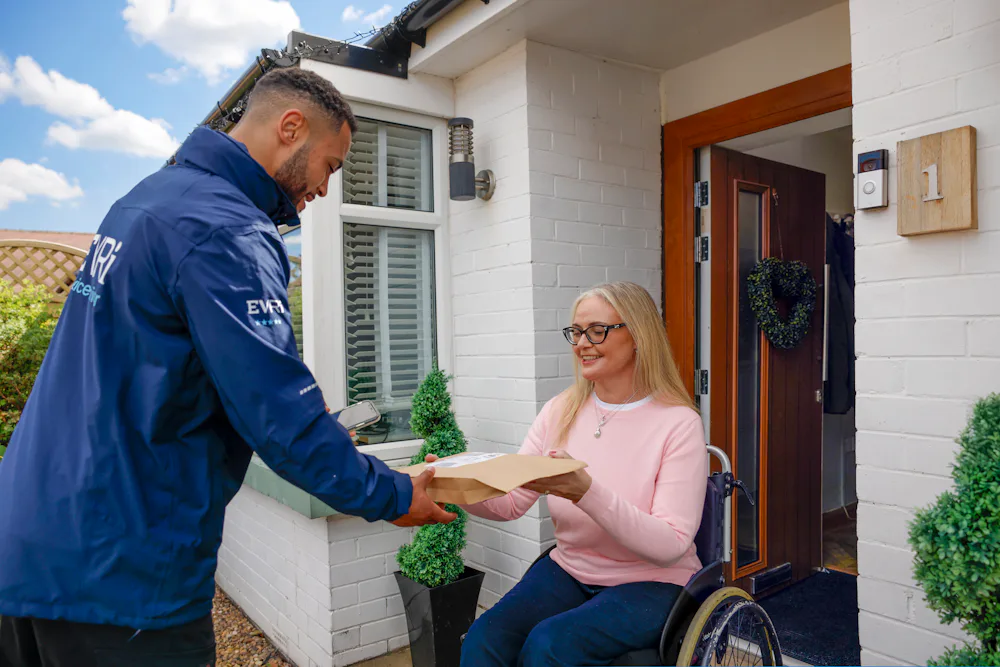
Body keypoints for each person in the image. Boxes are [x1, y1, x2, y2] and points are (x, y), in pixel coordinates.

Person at [0, 67, 454, 667]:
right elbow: (280, 417)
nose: (324, 188)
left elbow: (160, 372)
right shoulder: (227, 230)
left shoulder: (142, 201)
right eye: (331, 165)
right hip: (120, 571)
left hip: (28, 545)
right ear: (292, 127)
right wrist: (394, 494)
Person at [449, 281, 709, 667]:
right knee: (486, 637)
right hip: (570, 570)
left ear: (638, 335)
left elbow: (670, 542)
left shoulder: (678, 423)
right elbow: (511, 503)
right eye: (575, 332)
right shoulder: (560, 410)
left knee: (550, 646)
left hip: (653, 583)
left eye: (597, 331)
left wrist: (584, 490)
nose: (581, 343)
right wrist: (453, 487)